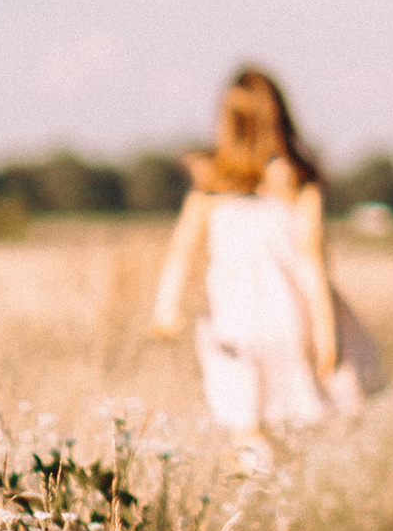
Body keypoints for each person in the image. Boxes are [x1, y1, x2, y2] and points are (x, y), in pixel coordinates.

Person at [147, 65, 379, 452]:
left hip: (233, 322)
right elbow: (314, 263)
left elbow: (182, 251)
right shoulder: (300, 186)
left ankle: (260, 492)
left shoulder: (210, 187)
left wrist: (165, 310)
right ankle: (283, 494)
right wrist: (328, 336)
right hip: (291, 319)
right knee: (296, 421)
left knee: (247, 423)